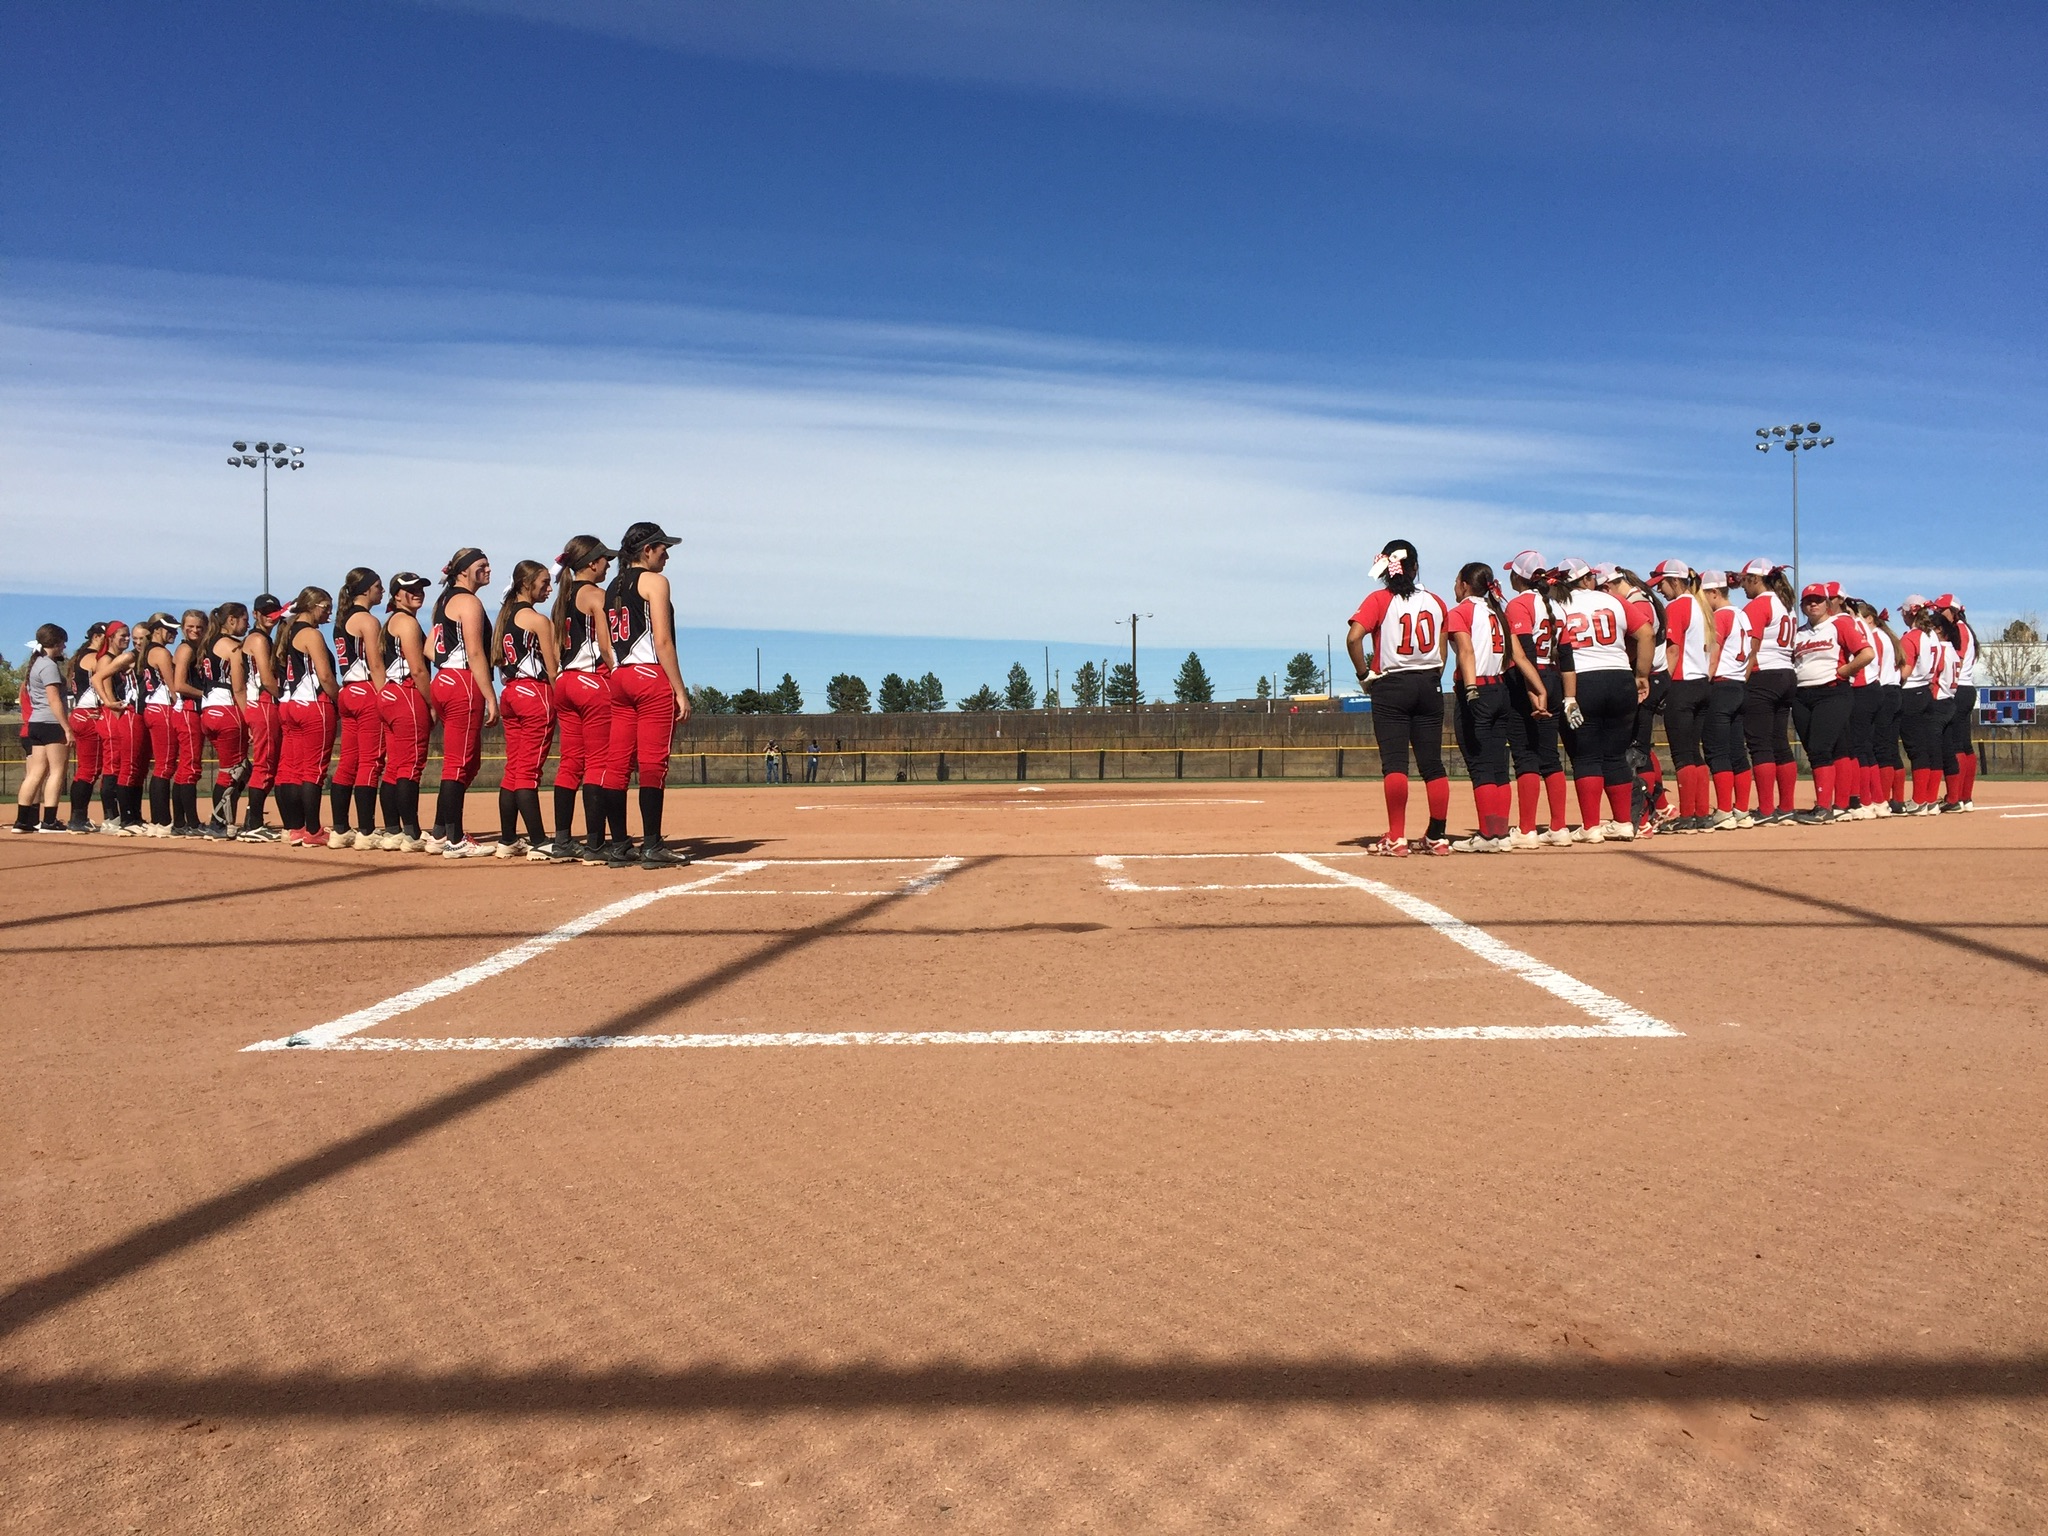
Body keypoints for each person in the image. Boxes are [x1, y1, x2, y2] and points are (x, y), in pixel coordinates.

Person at [595, 521, 693, 868]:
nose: (666, 555)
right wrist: (679, 690)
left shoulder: (612, 587)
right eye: (662, 548)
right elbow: (662, 642)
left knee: (617, 764)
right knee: (652, 764)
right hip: (649, 675)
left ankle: (619, 845)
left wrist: (621, 669)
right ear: (646, 550)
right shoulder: (655, 582)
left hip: (619, 676)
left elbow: (605, 645)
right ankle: (652, 844)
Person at [1345, 537, 1452, 856]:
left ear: (1386, 569)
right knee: (1433, 764)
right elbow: (1442, 652)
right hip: (1429, 684)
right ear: (1415, 567)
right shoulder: (1436, 601)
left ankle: (1396, 837)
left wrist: (1364, 675)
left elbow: (1353, 639)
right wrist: (1431, 678)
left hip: (1392, 686)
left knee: (1395, 763)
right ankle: (1437, 835)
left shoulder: (1380, 599)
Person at [1444, 562, 1546, 852]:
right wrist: (1539, 689)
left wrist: (1471, 688)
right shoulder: (1497, 612)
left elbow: (1466, 651)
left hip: (1477, 689)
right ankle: (1499, 834)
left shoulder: (1462, 611)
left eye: (1456, 581)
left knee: (1480, 765)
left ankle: (1489, 835)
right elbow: (1521, 657)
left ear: (1465, 584)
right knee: (1499, 766)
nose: (1454, 587)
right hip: (1501, 690)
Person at [1555, 559, 1653, 842]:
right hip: (1620, 677)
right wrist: (1641, 674)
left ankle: (1590, 825)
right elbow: (1646, 633)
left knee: (1586, 755)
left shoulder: (1558, 604)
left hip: (1582, 679)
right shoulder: (1612, 600)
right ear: (1587, 579)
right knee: (1614, 754)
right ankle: (1623, 821)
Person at [546, 535, 617, 859]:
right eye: (605, 559)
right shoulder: (595, 595)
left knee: (570, 763)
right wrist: (620, 673)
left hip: (565, 682)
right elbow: (605, 646)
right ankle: (596, 843)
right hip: (591, 682)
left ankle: (562, 839)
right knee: (598, 763)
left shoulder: (561, 599)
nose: (608, 564)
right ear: (592, 563)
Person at [428, 548, 498, 857]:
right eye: (482, 565)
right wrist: (490, 696)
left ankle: (441, 832)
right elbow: (475, 653)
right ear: (463, 571)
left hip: (443, 680)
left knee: (467, 761)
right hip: (461, 682)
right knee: (458, 762)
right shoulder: (468, 601)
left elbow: (431, 649)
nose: (488, 570)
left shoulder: (444, 602)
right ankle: (454, 839)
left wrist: (447, 665)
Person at [1501, 550, 1571, 846]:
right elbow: (1567, 659)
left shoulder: (1519, 604)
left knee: (1526, 756)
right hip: (1554, 678)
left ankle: (1527, 829)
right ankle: (1559, 827)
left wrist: (1533, 692)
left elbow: (1525, 653)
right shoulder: (1556, 606)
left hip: (1530, 680)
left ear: (1518, 576)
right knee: (1551, 757)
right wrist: (1570, 697)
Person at [1788, 583, 1873, 824]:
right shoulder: (1800, 632)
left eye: (1818, 600)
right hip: (1803, 695)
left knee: (1820, 748)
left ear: (1828, 603)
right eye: (1808, 601)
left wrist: (1844, 671)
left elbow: (1866, 653)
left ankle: (1824, 807)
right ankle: (1842, 805)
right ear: (1802, 606)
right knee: (1834, 748)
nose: (1813, 604)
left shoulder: (1840, 624)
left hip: (1833, 691)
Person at [493, 558, 560, 859]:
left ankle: (508, 839)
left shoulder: (505, 618)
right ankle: (538, 840)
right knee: (529, 772)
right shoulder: (536, 620)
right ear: (526, 584)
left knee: (514, 769)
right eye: (544, 582)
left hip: (510, 693)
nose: (549, 588)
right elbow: (553, 666)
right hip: (534, 693)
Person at [1600, 565, 1668, 834]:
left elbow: (1642, 638)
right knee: (1640, 747)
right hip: (1654, 676)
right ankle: (1658, 807)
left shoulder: (1637, 603)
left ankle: (1641, 817)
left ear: (1609, 587)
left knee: (1634, 752)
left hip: (1646, 677)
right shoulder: (1642, 599)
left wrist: (1636, 674)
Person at [275, 587, 341, 847]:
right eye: (326, 607)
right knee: (313, 769)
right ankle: (312, 829)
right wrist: (340, 700)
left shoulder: (289, 630)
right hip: (314, 705)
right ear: (313, 606)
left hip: (291, 704)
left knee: (291, 768)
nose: (329, 613)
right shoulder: (311, 634)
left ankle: (295, 827)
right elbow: (325, 676)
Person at [375, 572, 434, 850]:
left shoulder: (391, 622)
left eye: (420, 588)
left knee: (394, 766)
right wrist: (433, 702)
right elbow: (418, 669)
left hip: (389, 693)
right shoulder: (407, 623)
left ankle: (393, 830)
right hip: (405, 692)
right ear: (396, 595)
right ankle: (411, 832)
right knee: (410, 765)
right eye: (410, 589)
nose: (417, 592)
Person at [330, 568, 388, 849]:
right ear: (365, 590)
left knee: (349, 762)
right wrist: (384, 695)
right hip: (365, 690)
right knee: (371, 761)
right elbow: (376, 664)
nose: (382, 591)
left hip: (347, 691)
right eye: (378, 586)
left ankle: (340, 828)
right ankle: (366, 830)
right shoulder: (367, 619)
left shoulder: (342, 619)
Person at [1740, 559, 1800, 824]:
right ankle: (1785, 806)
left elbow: (1750, 648)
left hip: (1764, 674)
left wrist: (1741, 679)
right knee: (1779, 743)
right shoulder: (1787, 606)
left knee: (1760, 743)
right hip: (1787, 673)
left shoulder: (1759, 604)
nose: (1742, 585)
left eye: (1745, 579)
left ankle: (1766, 809)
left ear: (1756, 579)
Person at [1653, 561, 1711, 832]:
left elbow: (1673, 651)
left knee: (1683, 755)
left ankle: (1687, 816)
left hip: (1682, 683)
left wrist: (1662, 686)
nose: (1661, 591)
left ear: (1675, 582)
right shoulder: (1700, 605)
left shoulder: (1678, 606)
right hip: (1700, 683)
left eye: (1663, 584)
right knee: (1695, 753)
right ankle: (1701, 814)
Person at [1699, 572, 1756, 830]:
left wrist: (1705, 682)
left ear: (1714, 593)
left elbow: (1714, 653)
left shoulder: (1720, 616)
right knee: (1737, 751)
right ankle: (1742, 810)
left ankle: (1724, 811)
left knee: (1717, 750)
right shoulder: (1742, 615)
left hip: (1721, 685)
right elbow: (1752, 652)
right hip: (1738, 685)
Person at [194, 603, 251, 837]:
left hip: (209, 710)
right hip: (227, 708)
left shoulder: (208, 643)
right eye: (244, 619)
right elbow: (238, 687)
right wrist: (250, 719)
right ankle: (219, 823)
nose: (247, 624)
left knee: (240, 768)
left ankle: (224, 819)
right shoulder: (232, 646)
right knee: (233, 770)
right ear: (231, 620)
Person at [236, 595, 287, 842]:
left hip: (260, 705)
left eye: (275, 611)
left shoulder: (262, 638)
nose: (271, 616)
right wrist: (285, 696)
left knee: (269, 763)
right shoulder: (258, 639)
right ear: (255, 614)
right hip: (265, 703)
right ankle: (253, 823)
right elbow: (267, 680)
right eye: (265, 612)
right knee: (265, 764)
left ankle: (251, 819)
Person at [12, 624, 71, 833]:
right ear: (54, 643)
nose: (64, 646)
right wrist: (67, 727)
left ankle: (22, 821)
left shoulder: (36, 664)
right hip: (50, 722)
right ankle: (49, 821)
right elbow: (54, 700)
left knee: (35, 773)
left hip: (36, 723)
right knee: (56, 771)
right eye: (63, 642)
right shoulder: (48, 666)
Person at [1851, 599, 1905, 816]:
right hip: (1892, 691)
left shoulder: (1874, 636)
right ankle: (1892, 800)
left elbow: (1875, 668)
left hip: (1881, 690)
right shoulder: (1886, 636)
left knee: (1875, 748)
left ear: (1869, 619)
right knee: (1888, 749)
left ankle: (1877, 798)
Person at [134, 612, 186, 836]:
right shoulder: (161, 652)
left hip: (152, 708)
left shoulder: (147, 652)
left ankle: (159, 820)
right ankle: (162, 820)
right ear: (156, 630)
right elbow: (173, 686)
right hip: (162, 708)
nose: (174, 633)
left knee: (162, 766)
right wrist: (180, 704)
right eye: (169, 630)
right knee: (165, 766)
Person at [1896, 597, 1949, 814]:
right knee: (1929, 747)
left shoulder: (1912, 636)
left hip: (1910, 692)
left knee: (1916, 749)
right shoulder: (1933, 636)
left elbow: (1905, 671)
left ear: (1910, 613)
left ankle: (1919, 800)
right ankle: (1928, 800)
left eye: (1904, 612)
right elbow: (1941, 666)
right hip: (1926, 691)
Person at [62, 623, 107, 831]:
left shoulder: (81, 657)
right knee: (89, 770)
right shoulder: (92, 658)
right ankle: (78, 819)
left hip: (80, 714)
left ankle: (78, 818)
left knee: (87, 769)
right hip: (89, 715)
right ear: (97, 637)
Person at [1935, 595, 1978, 811]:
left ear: (1954, 611)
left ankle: (1956, 798)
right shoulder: (1965, 629)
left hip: (1958, 688)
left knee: (1954, 744)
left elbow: (1956, 659)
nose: (1937, 613)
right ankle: (1964, 798)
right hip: (1965, 688)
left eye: (1941, 610)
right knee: (1964, 744)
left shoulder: (1959, 629)